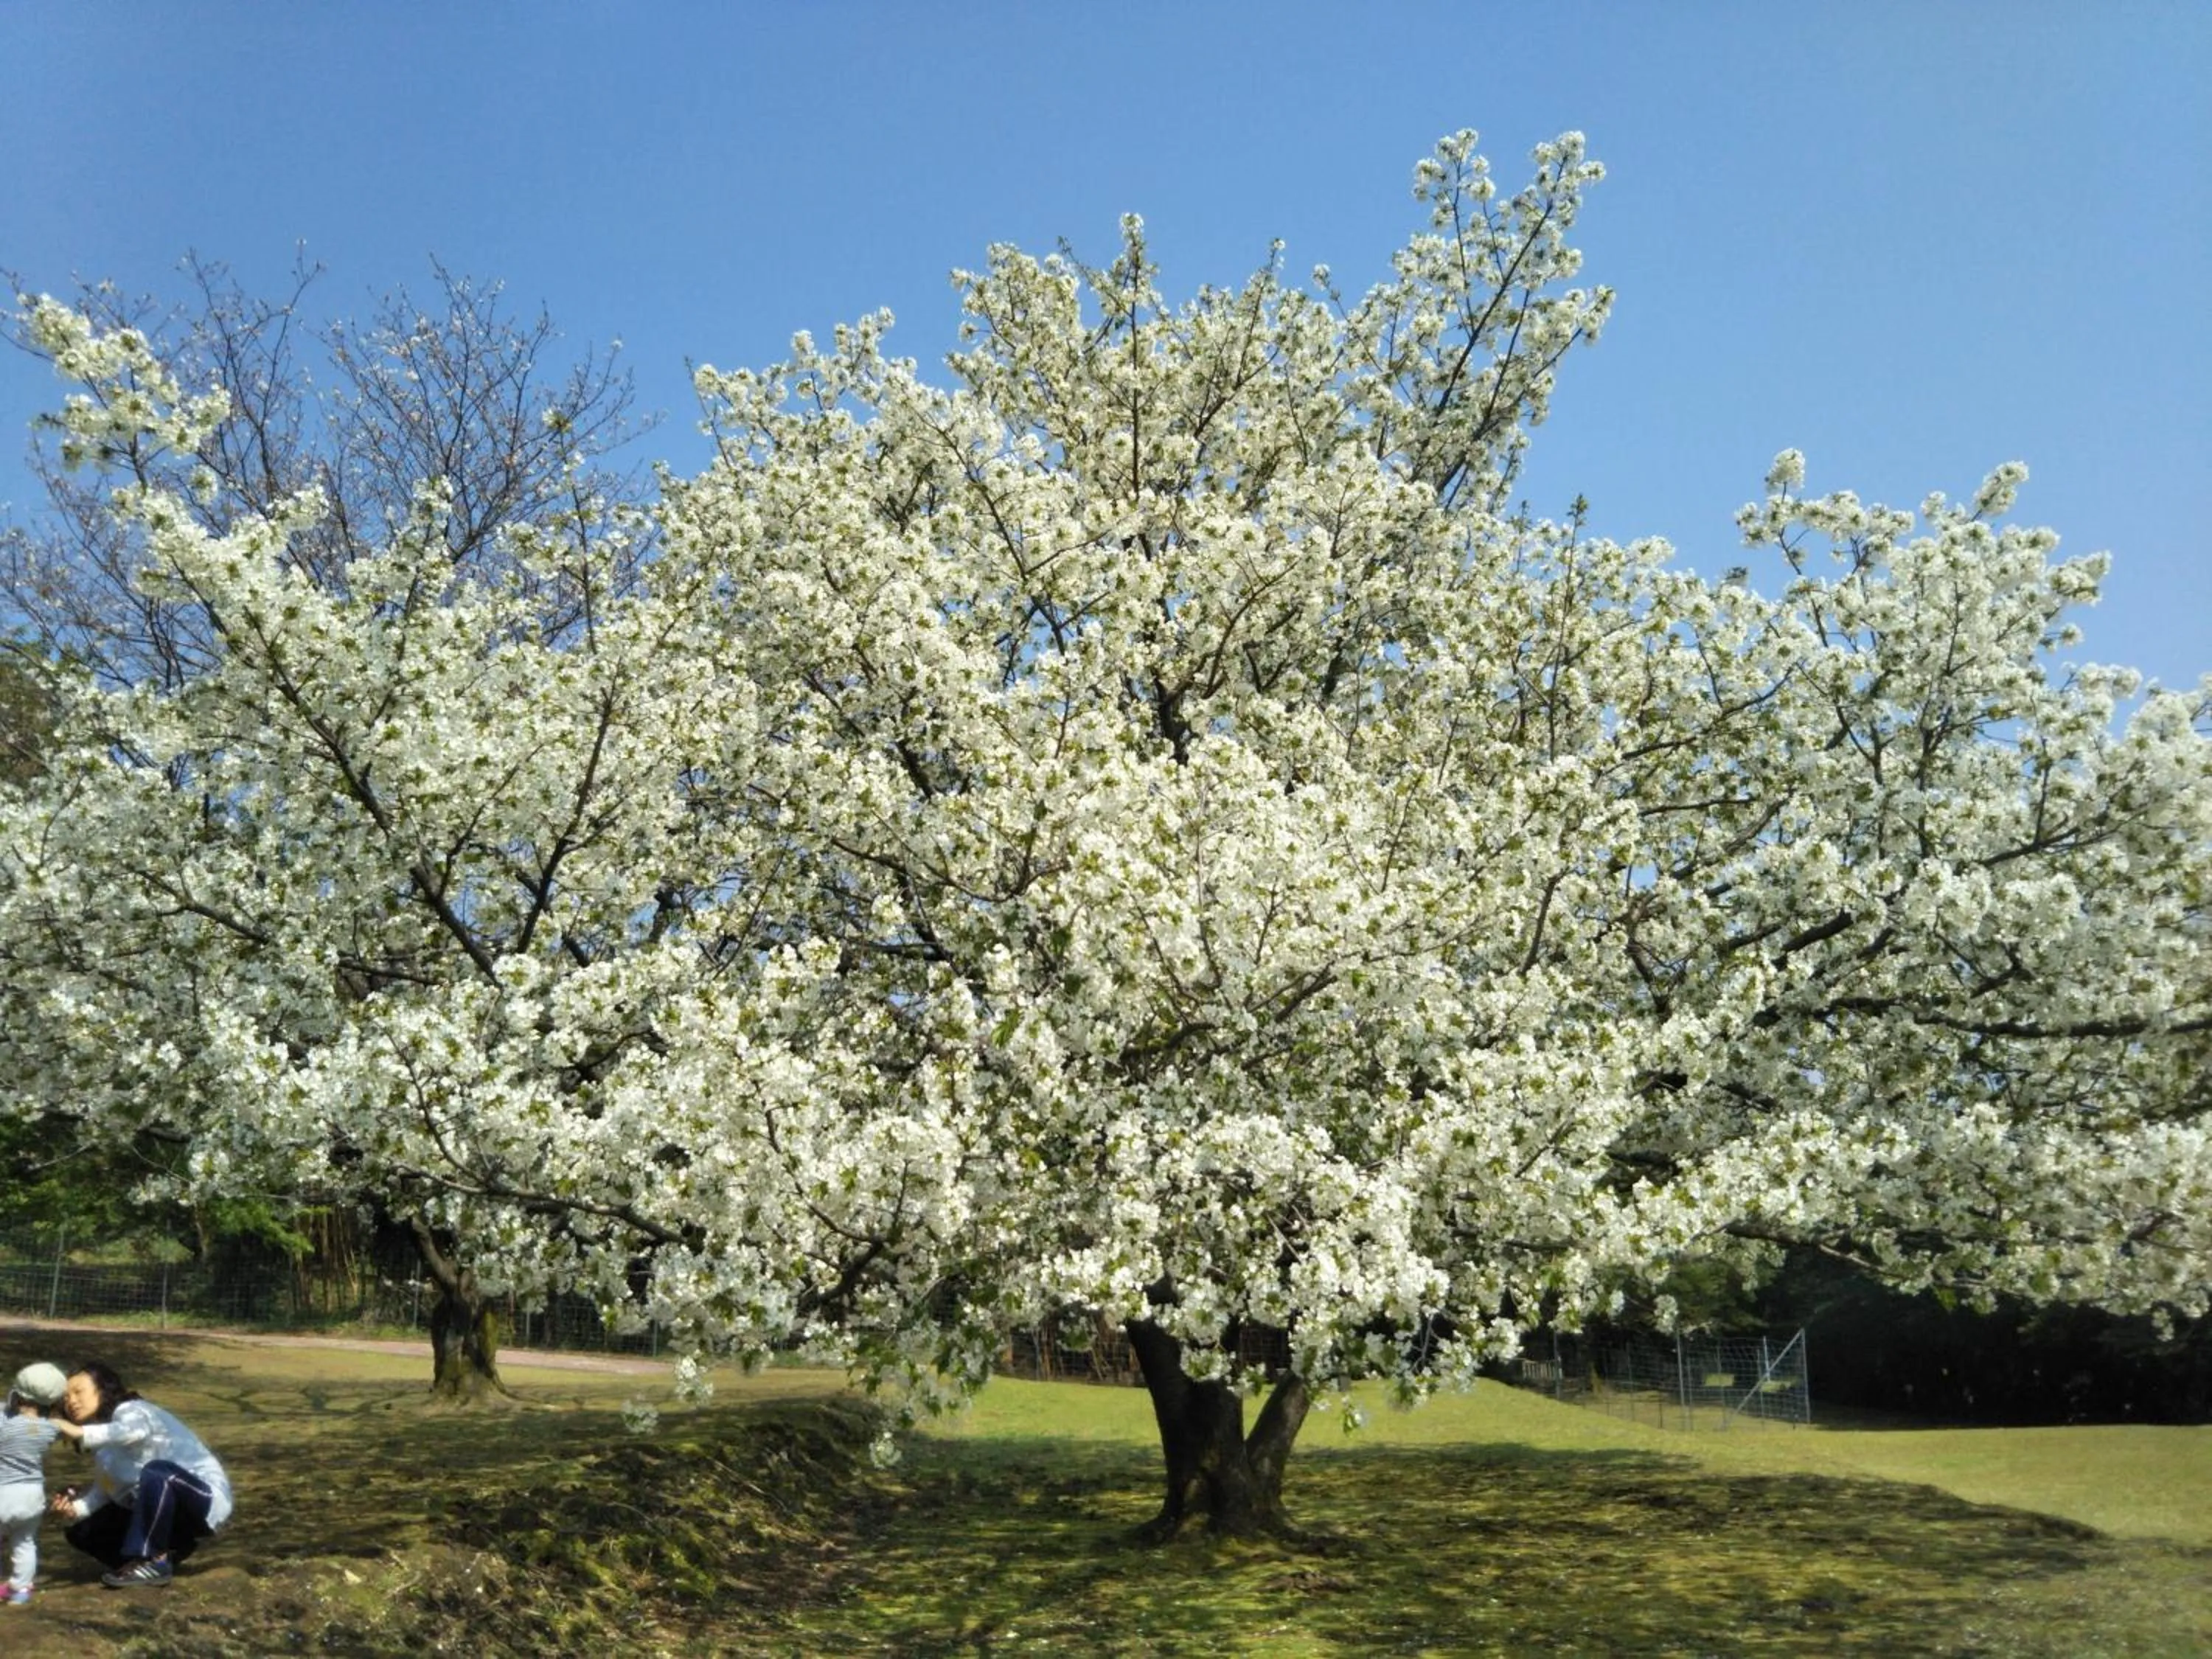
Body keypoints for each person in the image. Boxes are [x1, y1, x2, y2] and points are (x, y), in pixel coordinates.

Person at [46, 1361, 232, 1588]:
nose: (71, 1402)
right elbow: (104, 1493)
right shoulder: (104, 1451)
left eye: (78, 1392)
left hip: (202, 1499)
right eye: (66, 1397)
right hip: (165, 1514)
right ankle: (158, 1557)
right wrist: (72, 1510)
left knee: (158, 1472)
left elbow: (133, 1432)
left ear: (102, 1389)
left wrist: (78, 1431)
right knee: (81, 1531)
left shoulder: (132, 1410)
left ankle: (152, 1560)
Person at [1, 1363, 68, 1606]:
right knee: (25, 1542)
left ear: (17, 1396)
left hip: (4, 1493)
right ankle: (20, 1589)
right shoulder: (50, 1429)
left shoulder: (4, 1421)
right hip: (32, 1496)